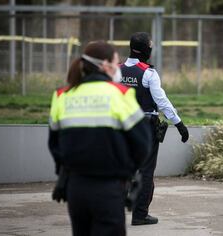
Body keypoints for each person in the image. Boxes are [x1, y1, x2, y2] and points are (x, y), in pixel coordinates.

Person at [48, 41, 152, 235]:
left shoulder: (62, 95)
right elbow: (143, 143)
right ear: (105, 65)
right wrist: (127, 171)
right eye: (116, 61)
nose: (118, 66)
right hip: (109, 187)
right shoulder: (120, 94)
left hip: (75, 188)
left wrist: (66, 171)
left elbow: (54, 145)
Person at [120, 32, 189, 225]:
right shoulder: (149, 73)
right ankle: (140, 215)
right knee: (145, 171)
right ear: (145, 50)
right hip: (144, 127)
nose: (151, 49)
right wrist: (179, 124)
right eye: (150, 46)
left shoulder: (117, 71)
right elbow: (162, 102)